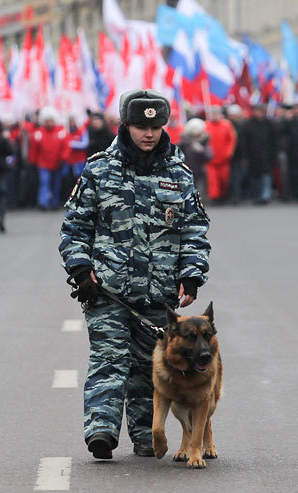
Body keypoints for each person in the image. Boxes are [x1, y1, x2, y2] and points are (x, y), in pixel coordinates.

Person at [59, 89, 211, 460]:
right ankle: (101, 429)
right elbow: (75, 227)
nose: (149, 133)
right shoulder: (99, 170)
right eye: (141, 126)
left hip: (159, 295)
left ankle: (147, 435)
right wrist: (81, 270)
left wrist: (191, 276)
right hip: (106, 290)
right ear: (124, 126)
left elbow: (194, 230)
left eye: (156, 126)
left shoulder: (179, 174)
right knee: (109, 359)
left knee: (149, 369)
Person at [32, 107, 67, 209]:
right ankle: (43, 202)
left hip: (57, 163)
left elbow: (66, 147)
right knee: (44, 183)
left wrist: (63, 159)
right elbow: (34, 150)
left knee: (56, 184)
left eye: (51, 120)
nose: (49, 123)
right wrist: (33, 161)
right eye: (47, 121)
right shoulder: (39, 133)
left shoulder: (61, 132)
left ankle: (54, 202)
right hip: (43, 163)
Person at [243, 104, 277, 204]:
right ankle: (256, 195)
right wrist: (245, 155)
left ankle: (265, 196)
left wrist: (273, 155)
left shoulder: (269, 124)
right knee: (255, 177)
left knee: (266, 176)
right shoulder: (248, 124)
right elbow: (244, 141)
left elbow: (274, 141)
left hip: (266, 155)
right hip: (253, 155)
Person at [204, 108, 237, 203]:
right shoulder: (206, 125)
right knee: (212, 180)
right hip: (211, 159)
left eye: (216, 114)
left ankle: (223, 195)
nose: (214, 116)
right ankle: (215, 197)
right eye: (212, 114)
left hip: (224, 158)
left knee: (224, 179)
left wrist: (229, 152)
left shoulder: (226, 125)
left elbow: (232, 139)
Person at [178, 118, 213, 196]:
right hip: (186, 171)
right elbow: (176, 153)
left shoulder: (204, 141)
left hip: (199, 172)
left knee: (198, 192)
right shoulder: (185, 142)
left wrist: (201, 150)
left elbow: (209, 157)